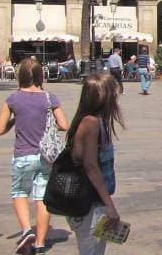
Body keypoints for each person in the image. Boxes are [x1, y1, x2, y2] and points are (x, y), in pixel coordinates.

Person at [0, 57, 69, 255]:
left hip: (22, 156)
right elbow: (64, 125)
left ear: (20, 76)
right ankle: (40, 243)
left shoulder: (12, 99)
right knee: (42, 199)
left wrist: (14, 121)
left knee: (19, 193)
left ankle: (28, 230)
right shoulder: (49, 98)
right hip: (45, 157)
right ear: (40, 75)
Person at [65, 73, 124, 255]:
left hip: (94, 201)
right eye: (113, 93)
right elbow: (91, 166)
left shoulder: (97, 121)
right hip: (88, 203)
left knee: (97, 249)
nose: (116, 96)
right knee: (91, 250)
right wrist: (110, 206)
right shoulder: (91, 123)